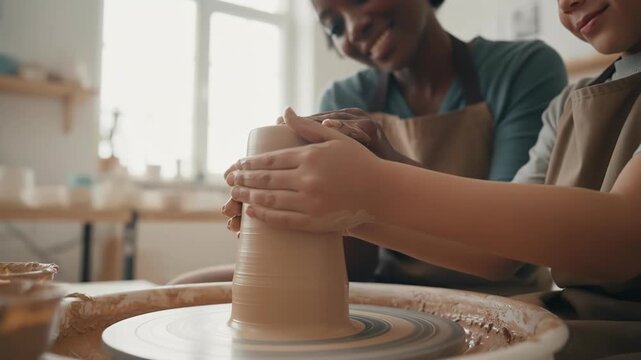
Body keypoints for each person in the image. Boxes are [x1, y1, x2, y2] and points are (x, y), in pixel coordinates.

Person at [223, 0, 641, 357]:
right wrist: (330, 210)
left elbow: (623, 235)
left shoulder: (518, 68)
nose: (566, 3)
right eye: (333, 24)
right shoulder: (569, 105)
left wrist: (375, 186)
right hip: (559, 316)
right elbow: (495, 254)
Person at [170, 0, 567, 292]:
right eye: (334, 26)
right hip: (385, 288)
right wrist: (277, 211)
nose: (353, 28)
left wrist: (382, 167)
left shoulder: (522, 68)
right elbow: (353, 268)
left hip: (499, 293)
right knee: (183, 290)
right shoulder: (343, 96)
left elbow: (508, 245)